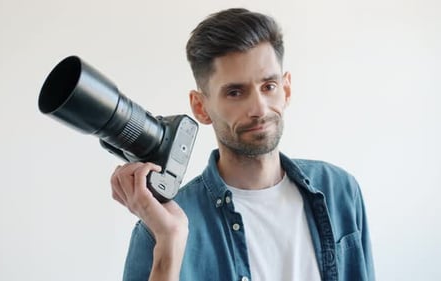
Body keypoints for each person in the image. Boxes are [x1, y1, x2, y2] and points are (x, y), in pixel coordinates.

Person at [110, 8, 375, 281]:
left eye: (268, 86)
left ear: (286, 90)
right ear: (200, 107)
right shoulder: (162, 226)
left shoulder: (340, 190)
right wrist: (169, 242)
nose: (259, 108)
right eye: (235, 92)